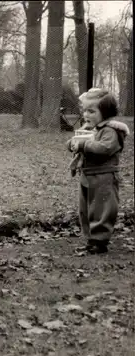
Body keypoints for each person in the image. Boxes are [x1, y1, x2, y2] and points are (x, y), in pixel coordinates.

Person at [66, 88, 130, 254]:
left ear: (105, 113)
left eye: (91, 111)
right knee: (86, 208)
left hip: (104, 176)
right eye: (84, 110)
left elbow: (105, 148)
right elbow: (77, 141)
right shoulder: (91, 129)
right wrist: (72, 143)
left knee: (101, 208)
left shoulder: (110, 131)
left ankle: (99, 241)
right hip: (88, 175)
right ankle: (90, 239)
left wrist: (83, 144)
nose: (86, 115)